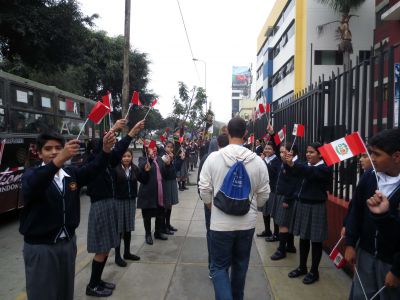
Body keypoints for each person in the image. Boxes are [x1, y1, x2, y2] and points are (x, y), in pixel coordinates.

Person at [20, 130, 116, 300]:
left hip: (67, 244)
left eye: (58, 148)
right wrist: (57, 161)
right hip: (41, 248)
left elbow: (94, 169)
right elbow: (34, 185)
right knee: (43, 294)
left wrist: (106, 150)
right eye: (48, 149)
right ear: (39, 152)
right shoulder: (31, 175)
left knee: (65, 292)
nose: (54, 152)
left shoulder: (71, 174)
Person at [199, 117, 270, 300]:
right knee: (240, 266)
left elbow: (204, 189)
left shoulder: (214, 158)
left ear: (227, 132)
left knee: (219, 267)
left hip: (220, 225)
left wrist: (211, 206)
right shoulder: (258, 161)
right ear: (245, 133)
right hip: (247, 225)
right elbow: (264, 196)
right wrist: (254, 207)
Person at [85, 119, 145, 297]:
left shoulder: (106, 163)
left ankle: (98, 281)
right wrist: (113, 129)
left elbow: (118, 150)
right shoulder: (92, 166)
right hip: (100, 207)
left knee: (106, 248)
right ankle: (92, 285)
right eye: (105, 149)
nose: (110, 152)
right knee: (101, 248)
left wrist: (131, 132)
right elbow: (107, 152)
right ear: (95, 152)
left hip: (108, 204)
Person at [345, 128, 400, 299]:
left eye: (377, 154)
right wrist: (350, 243)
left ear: (396, 156)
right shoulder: (369, 176)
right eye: (370, 153)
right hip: (366, 253)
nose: (371, 159)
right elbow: (356, 211)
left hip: (391, 262)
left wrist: (397, 270)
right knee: (361, 295)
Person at [286, 142, 332, 284]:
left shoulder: (324, 168)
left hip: (316, 206)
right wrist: (288, 163)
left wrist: (294, 164)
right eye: (307, 151)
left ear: (320, 154)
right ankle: (302, 267)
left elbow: (309, 173)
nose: (308, 154)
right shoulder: (306, 166)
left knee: (316, 241)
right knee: (303, 238)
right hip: (303, 204)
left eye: (311, 152)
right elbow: (294, 173)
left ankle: (314, 271)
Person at [197, 134, 229, 278]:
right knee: (220, 234)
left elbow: (201, 186)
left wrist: (207, 203)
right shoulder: (209, 159)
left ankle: (214, 267)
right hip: (220, 203)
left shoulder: (208, 158)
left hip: (212, 203)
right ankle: (219, 266)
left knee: (213, 234)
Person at [113, 149, 150, 267]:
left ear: (131, 157)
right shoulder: (115, 169)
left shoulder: (134, 169)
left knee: (128, 227)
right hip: (118, 201)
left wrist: (147, 171)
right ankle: (117, 256)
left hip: (130, 201)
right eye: (124, 156)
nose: (126, 158)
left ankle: (127, 253)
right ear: (120, 157)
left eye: (128, 156)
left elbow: (143, 180)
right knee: (119, 229)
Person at [270, 143, 302, 260]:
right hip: (282, 195)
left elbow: (293, 184)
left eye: (284, 152)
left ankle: (281, 250)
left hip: (287, 198)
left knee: (284, 224)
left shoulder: (295, 165)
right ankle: (290, 246)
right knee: (285, 222)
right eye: (281, 152)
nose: (281, 154)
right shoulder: (286, 163)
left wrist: (287, 199)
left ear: (291, 153)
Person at [137, 145, 169, 245]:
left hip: (160, 191)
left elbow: (166, 173)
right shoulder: (142, 159)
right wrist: (150, 159)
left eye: (154, 148)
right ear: (146, 150)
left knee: (160, 213)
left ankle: (157, 232)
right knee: (147, 215)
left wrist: (168, 164)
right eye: (151, 148)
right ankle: (148, 234)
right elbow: (143, 167)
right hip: (148, 192)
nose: (153, 149)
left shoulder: (159, 159)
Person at [257, 141, 281, 240]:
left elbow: (271, 171)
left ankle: (276, 234)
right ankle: (267, 230)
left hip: (273, 189)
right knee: (265, 211)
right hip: (264, 188)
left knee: (273, 212)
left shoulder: (276, 160)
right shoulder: (264, 159)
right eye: (266, 148)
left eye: (269, 149)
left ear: (274, 151)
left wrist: (262, 162)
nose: (267, 150)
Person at [162, 141, 179, 235]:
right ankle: (164, 226)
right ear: (165, 147)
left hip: (172, 181)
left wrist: (176, 160)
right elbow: (164, 172)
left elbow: (176, 169)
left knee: (170, 204)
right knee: (166, 204)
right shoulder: (163, 157)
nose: (169, 149)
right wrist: (168, 163)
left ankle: (168, 224)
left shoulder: (172, 157)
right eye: (168, 147)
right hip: (166, 182)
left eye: (171, 147)